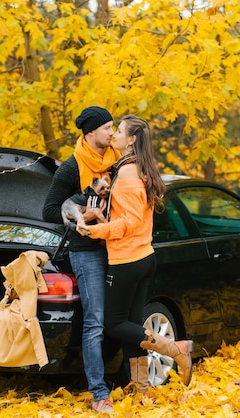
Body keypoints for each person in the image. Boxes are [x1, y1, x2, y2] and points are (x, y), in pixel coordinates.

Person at [77, 115, 193, 393]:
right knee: (132, 327)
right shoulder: (139, 168)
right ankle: (142, 390)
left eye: (119, 131)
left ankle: (175, 349)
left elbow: (128, 223)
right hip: (143, 256)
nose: (114, 134)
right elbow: (134, 218)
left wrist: (95, 231)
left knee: (113, 324)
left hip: (127, 260)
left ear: (131, 140)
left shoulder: (128, 174)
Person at [42, 106, 120, 413]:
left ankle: (138, 381)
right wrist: (82, 216)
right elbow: (48, 211)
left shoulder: (118, 161)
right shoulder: (71, 168)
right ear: (89, 133)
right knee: (95, 322)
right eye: (107, 128)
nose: (112, 133)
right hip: (87, 251)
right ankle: (100, 393)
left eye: (114, 127)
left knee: (126, 317)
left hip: (119, 245)